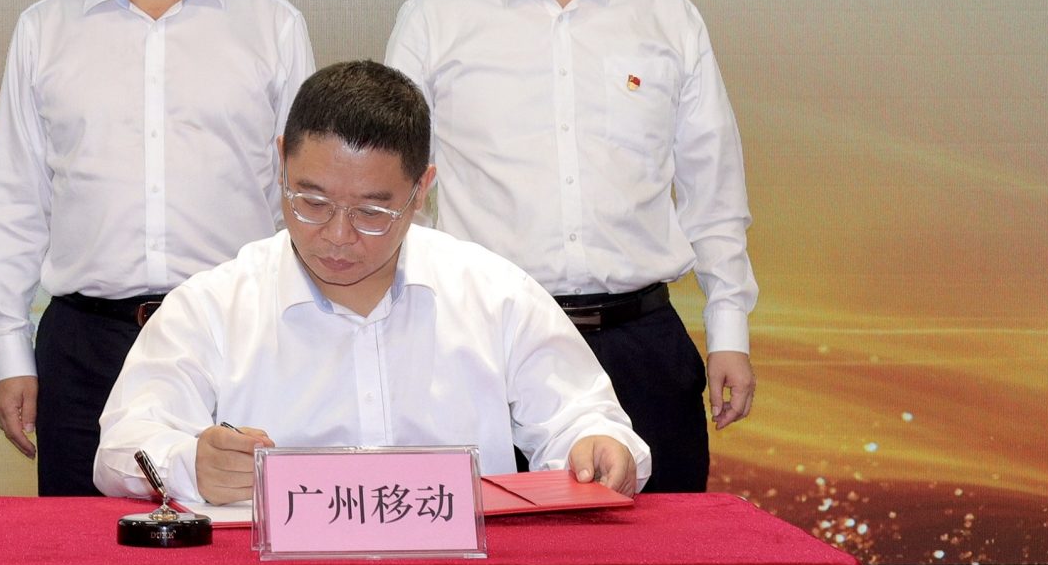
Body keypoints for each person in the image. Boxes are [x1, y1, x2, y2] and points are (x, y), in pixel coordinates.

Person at [384, 0, 756, 493]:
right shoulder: (435, 19)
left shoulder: (668, 18)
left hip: (640, 345)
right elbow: (395, 190)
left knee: (658, 550)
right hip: (485, 345)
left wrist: (729, 333)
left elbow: (713, 192)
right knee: (489, 552)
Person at [96, 60, 647, 506]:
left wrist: (596, 446)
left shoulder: (494, 293)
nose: (337, 236)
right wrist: (190, 465)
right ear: (281, 162)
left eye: (372, 212)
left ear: (422, 189)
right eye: (312, 201)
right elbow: (122, 446)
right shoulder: (213, 305)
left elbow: (584, 418)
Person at [0, 0, 315, 496]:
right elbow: (16, 199)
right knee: (80, 546)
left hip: (232, 335)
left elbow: (303, 196)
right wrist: (10, 351)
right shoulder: (45, 29)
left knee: (234, 532)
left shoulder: (272, 26)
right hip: (85, 345)